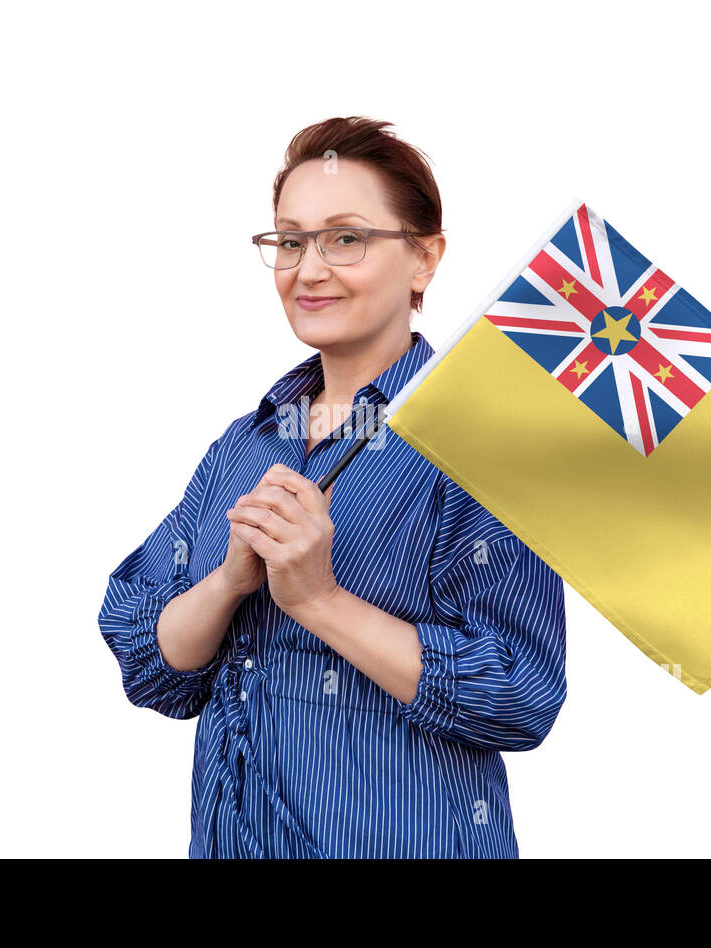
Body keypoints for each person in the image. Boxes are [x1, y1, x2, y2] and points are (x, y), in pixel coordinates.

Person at [97, 116, 567, 858]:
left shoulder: (481, 451)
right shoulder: (244, 445)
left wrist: (318, 599)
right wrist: (226, 583)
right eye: (289, 241)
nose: (308, 269)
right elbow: (151, 664)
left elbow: (519, 695)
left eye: (345, 238)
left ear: (424, 259)